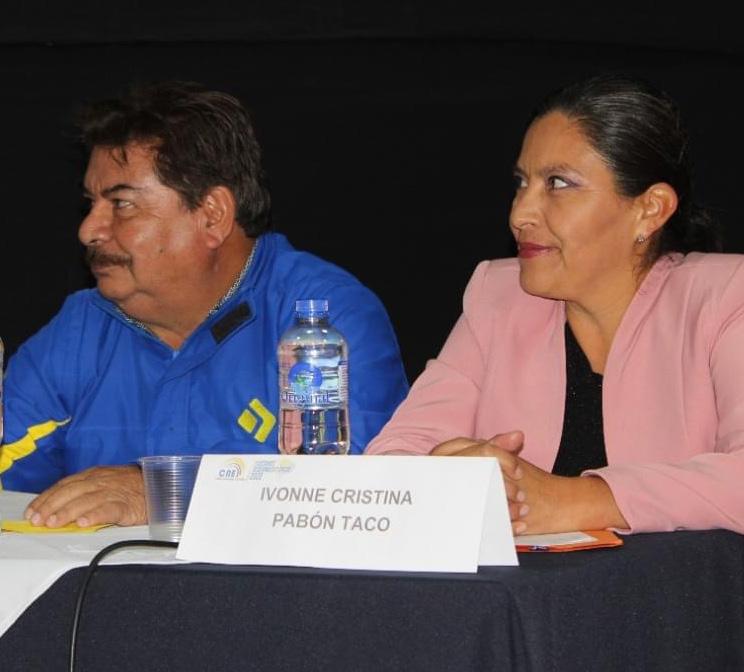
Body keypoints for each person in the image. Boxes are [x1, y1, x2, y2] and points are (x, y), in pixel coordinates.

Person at [0, 81, 409, 528]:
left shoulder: (322, 321)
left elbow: (360, 494)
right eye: (91, 204)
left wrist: (166, 491)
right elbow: (10, 468)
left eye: (121, 204)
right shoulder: (82, 327)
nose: (88, 230)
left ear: (212, 215)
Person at [366, 73, 744, 536]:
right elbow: (392, 458)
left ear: (650, 209)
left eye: (558, 183)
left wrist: (576, 500)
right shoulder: (498, 298)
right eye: (522, 183)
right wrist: (442, 475)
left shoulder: (727, 297)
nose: (520, 214)